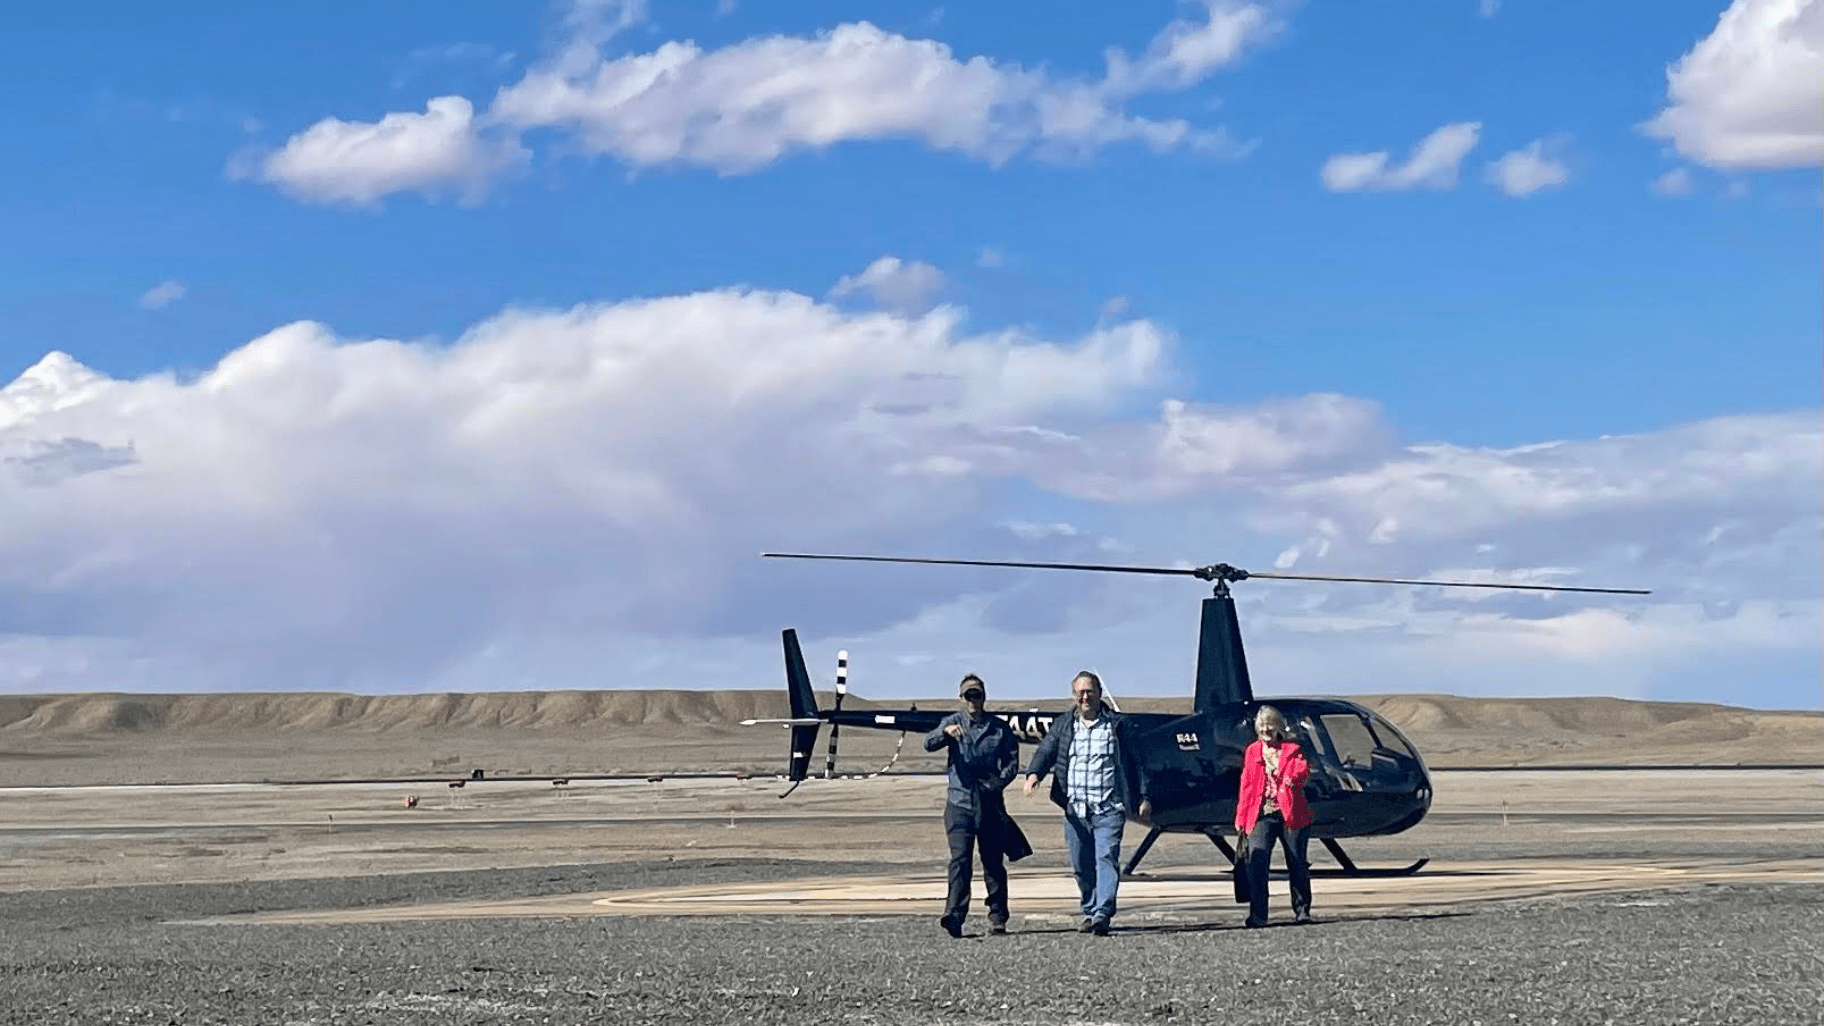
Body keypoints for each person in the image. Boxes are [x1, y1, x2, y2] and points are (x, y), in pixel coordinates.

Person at [1021, 670, 1143, 936]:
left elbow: (1135, 763)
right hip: (1075, 810)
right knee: (1080, 864)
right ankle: (1089, 910)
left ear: (1099, 693)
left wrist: (1143, 796)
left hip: (1108, 808)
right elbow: (1046, 750)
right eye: (1080, 692)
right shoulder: (1065, 724)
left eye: (1090, 691)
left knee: (1106, 858)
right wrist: (1034, 774)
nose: (1085, 696)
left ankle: (1102, 913)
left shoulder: (1117, 726)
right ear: (1074, 694)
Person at [923, 673, 1024, 937]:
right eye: (968, 695)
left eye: (977, 694)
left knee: (992, 862)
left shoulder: (999, 728)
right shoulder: (952, 722)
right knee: (960, 861)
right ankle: (954, 916)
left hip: (989, 805)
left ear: (984, 696)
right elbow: (928, 743)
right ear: (961, 698)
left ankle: (998, 916)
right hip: (959, 804)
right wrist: (945, 733)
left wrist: (997, 783)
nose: (973, 700)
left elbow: (1012, 763)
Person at [1234, 704, 1314, 927]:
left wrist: (1290, 778)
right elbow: (1247, 786)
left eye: (1269, 727)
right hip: (1261, 813)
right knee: (1257, 864)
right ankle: (1258, 915)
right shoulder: (1252, 751)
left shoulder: (1291, 749)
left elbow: (1303, 769)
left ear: (1278, 727)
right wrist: (1241, 818)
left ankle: (1302, 910)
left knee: (1297, 862)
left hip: (1291, 814)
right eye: (1262, 728)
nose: (1266, 731)